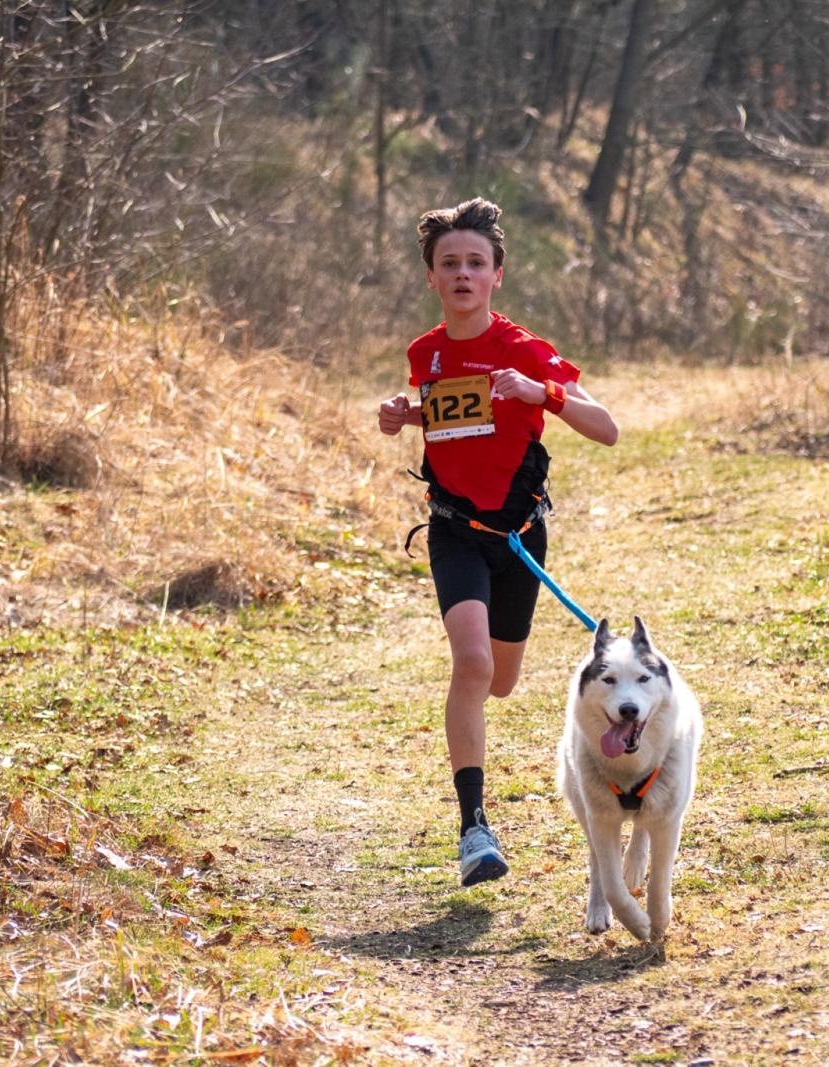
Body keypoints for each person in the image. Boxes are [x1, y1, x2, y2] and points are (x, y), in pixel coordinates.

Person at [377, 198, 619, 886]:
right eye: (449, 263)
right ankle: (474, 828)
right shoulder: (424, 352)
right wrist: (402, 415)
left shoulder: (523, 349)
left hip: (518, 536)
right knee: (473, 663)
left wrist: (542, 393)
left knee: (502, 681)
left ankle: (477, 794)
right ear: (431, 276)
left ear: (496, 276)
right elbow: (449, 416)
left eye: (475, 263)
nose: (463, 274)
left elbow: (607, 428)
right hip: (454, 531)